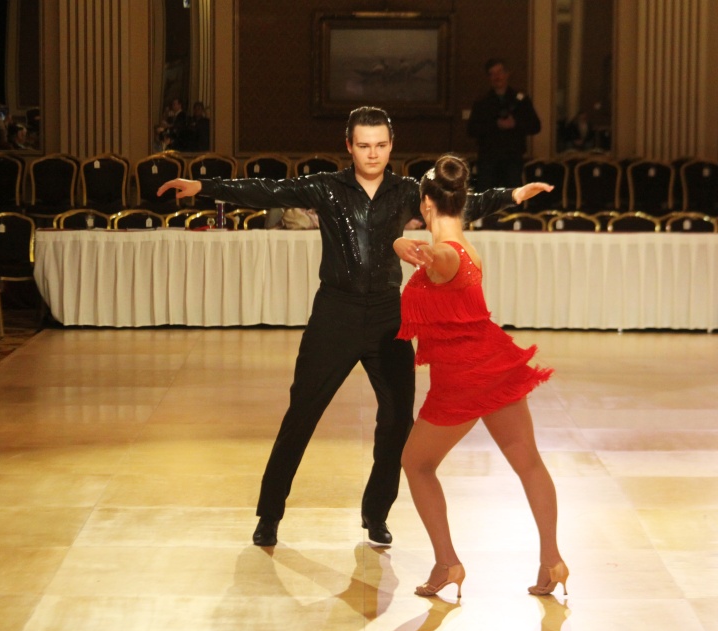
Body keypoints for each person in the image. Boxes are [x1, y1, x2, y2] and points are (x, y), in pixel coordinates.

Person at [157, 106, 551, 548]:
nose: (373, 154)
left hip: (388, 316)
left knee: (398, 419)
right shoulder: (326, 187)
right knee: (301, 415)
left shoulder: (408, 190)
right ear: (348, 145)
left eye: (381, 145)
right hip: (335, 315)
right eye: (364, 145)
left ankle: (376, 513)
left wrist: (512, 194)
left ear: (391, 145)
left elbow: (457, 203)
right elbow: (268, 190)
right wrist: (205, 186)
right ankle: (269, 514)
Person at [393, 154, 567, 599]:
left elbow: (434, 258)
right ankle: (553, 560)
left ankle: (447, 563)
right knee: (528, 462)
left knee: (416, 463)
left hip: (463, 379)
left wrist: (399, 244)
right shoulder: (466, 246)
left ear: (426, 203)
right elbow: (434, 258)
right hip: (493, 363)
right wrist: (403, 245)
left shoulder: (447, 253)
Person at [467, 58, 541, 190]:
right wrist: (495, 125)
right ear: (489, 77)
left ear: (507, 74)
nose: (497, 77)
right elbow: (471, 130)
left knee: (512, 198)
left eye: (500, 72)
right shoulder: (482, 102)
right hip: (488, 159)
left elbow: (535, 126)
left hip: (512, 158)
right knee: (486, 199)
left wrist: (515, 124)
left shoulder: (521, 100)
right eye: (492, 73)